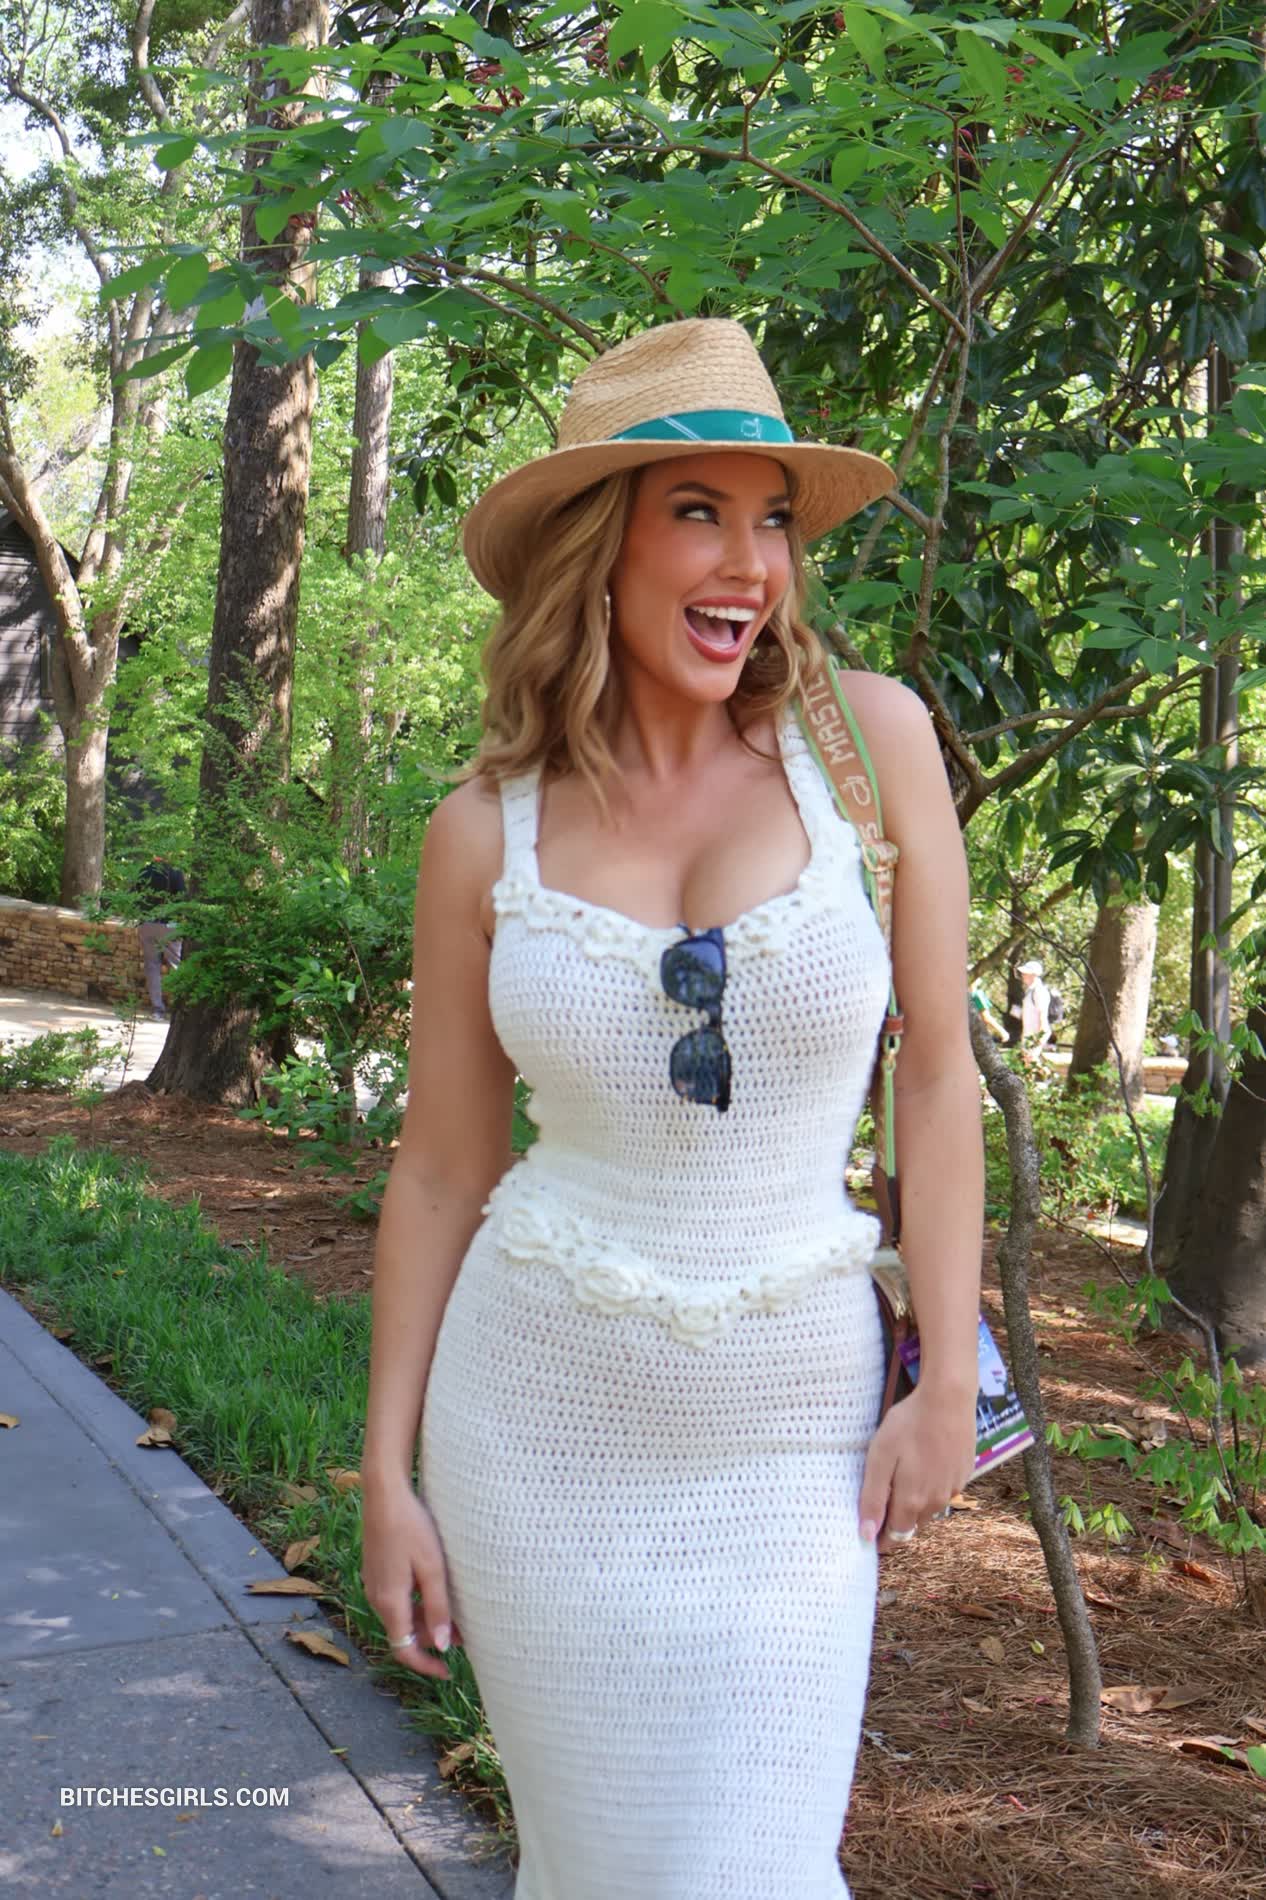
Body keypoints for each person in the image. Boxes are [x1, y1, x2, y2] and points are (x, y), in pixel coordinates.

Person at [359, 318, 984, 1898]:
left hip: (791, 1427)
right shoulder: (479, 832)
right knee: (602, 1863)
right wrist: (386, 1471)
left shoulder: (867, 744)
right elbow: (440, 1168)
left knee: (747, 1864)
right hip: (537, 1422)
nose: (749, 565)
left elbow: (936, 1074)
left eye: (770, 519)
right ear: (599, 544)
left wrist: (939, 1388)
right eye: (696, 511)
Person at [132, 856, 186, 1020]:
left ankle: (158, 1010)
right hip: (170, 926)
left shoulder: (144, 872)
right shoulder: (175, 873)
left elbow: (133, 896)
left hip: (148, 924)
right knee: (176, 966)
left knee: (152, 967)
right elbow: (183, 899)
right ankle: (180, 1009)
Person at [1012, 957, 1052, 1066]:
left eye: (1026, 973)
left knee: (1031, 1061)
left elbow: (1042, 1016)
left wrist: (1038, 1040)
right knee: (1028, 1063)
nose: (1023, 975)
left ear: (1034, 975)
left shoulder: (1039, 991)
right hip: (1029, 1035)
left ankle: (1049, 1075)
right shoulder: (1030, 991)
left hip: (1035, 1035)